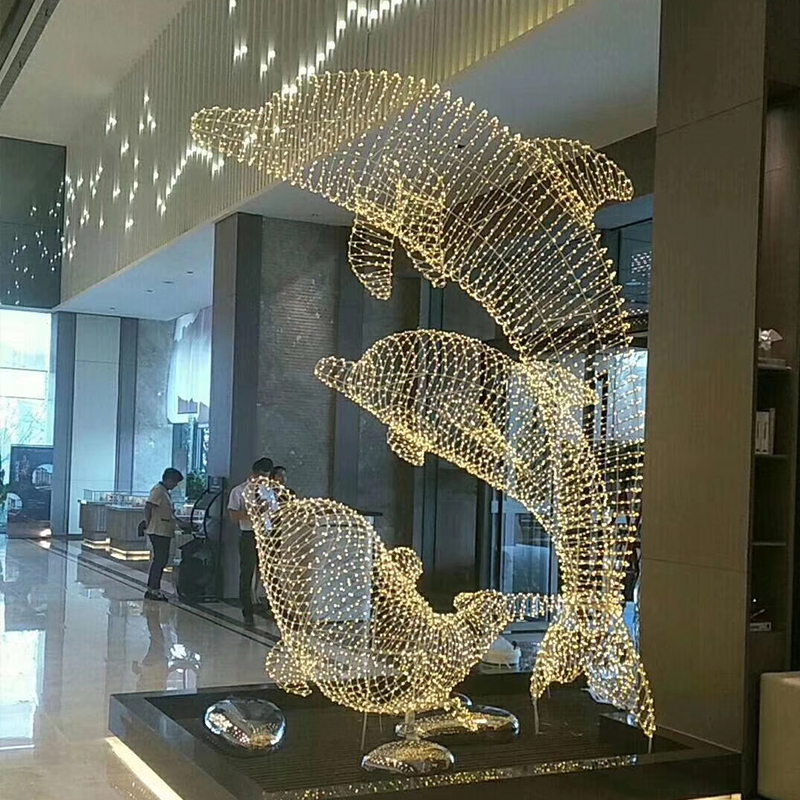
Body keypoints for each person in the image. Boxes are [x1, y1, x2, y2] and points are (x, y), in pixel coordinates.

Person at [228, 458, 274, 627]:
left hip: (267, 535)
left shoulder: (268, 491)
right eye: (261, 477)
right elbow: (233, 516)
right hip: (249, 534)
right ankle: (247, 610)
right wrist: (253, 512)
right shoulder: (239, 491)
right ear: (254, 474)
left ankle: (269, 606)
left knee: (269, 573)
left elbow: (274, 513)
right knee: (247, 573)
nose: (263, 481)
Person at [144, 468, 186, 601]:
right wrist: (148, 523)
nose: (175, 485)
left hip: (164, 530)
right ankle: (153, 590)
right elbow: (148, 506)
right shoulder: (158, 490)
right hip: (158, 531)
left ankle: (153, 588)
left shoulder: (165, 492)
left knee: (161, 560)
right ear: (168, 479)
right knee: (159, 560)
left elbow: (170, 514)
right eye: (174, 482)